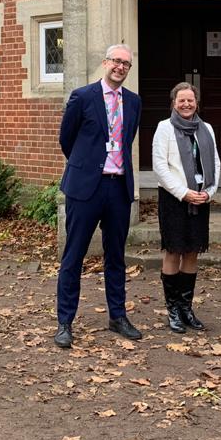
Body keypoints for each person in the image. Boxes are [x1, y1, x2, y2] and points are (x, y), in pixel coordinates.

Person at [54, 44, 143, 349]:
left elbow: (126, 139)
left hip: (118, 188)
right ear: (106, 62)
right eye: (116, 61)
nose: (120, 67)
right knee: (74, 256)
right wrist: (87, 165)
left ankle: (117, 316)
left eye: (126, 64)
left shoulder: (133, 102)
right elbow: (67, 139)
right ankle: (65, 322)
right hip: (85, 188)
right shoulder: (82, 96)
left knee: (116, 256)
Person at [151, 82, 221, 333]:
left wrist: (209, 193)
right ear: (174, 103)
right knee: (173, 251)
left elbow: (215, 162)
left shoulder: (207, 129)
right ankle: (173, 311)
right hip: (174, 199)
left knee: (192, 252)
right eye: (181, 100)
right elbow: (160, 167)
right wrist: (184, 193)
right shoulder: (164, 128)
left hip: (200, 199)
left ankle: (186, 308)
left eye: (190, 100)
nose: (186, 104)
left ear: (196, 102)